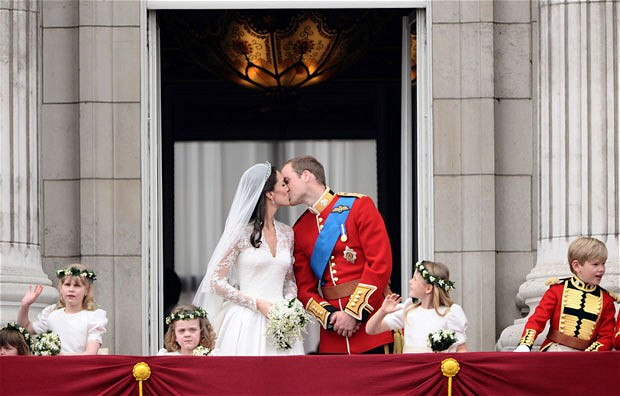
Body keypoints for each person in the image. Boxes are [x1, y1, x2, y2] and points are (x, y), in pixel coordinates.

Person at [281, 155, 393, 354]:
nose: (284, 187)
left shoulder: (359, 206)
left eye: (287, 181)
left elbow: (380, 264)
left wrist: (353, 313)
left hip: (371, 327)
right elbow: (304, 289)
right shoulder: (299, 229)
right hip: (334, 335)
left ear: (306, 175)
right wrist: (331, 317)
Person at [193, 162, 304, 355]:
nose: (288, 188)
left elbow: (289, 281)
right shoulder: (239, 233)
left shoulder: (287, 233)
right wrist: (256, 303)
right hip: (246, 320)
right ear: (270, 193)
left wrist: (289, 305)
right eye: (283, 184)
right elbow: (215, 281)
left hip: (281, 322)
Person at [514, 236, 616, 352]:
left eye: (603, 263)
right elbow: (537, 320)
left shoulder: (606, 300)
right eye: (595, 264)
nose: (602, 269)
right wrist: (525, 344)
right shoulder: (557, 291)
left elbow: (606, 337)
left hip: (586, 356)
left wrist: (589, 356)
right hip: (556, 350)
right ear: (576, 266)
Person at [366, 260, 468, 353]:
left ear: (428, 288)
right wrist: (382, 311)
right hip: (412, 370)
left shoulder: (450, 313)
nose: (410, 282)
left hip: (437, 371)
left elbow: (461, 349)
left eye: (415, 279)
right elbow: (371, 329)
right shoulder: (408, 310)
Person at [17, 264, 108, 355]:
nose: (71, 289)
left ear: (86, 291)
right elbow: (24, 329)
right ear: (61, 288)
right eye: (67, 285)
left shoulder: (93, 317)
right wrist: (25, 305)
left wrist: (61, 357)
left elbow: (90, 353)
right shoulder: (51, 314)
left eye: (77, 285)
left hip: (80, 367)